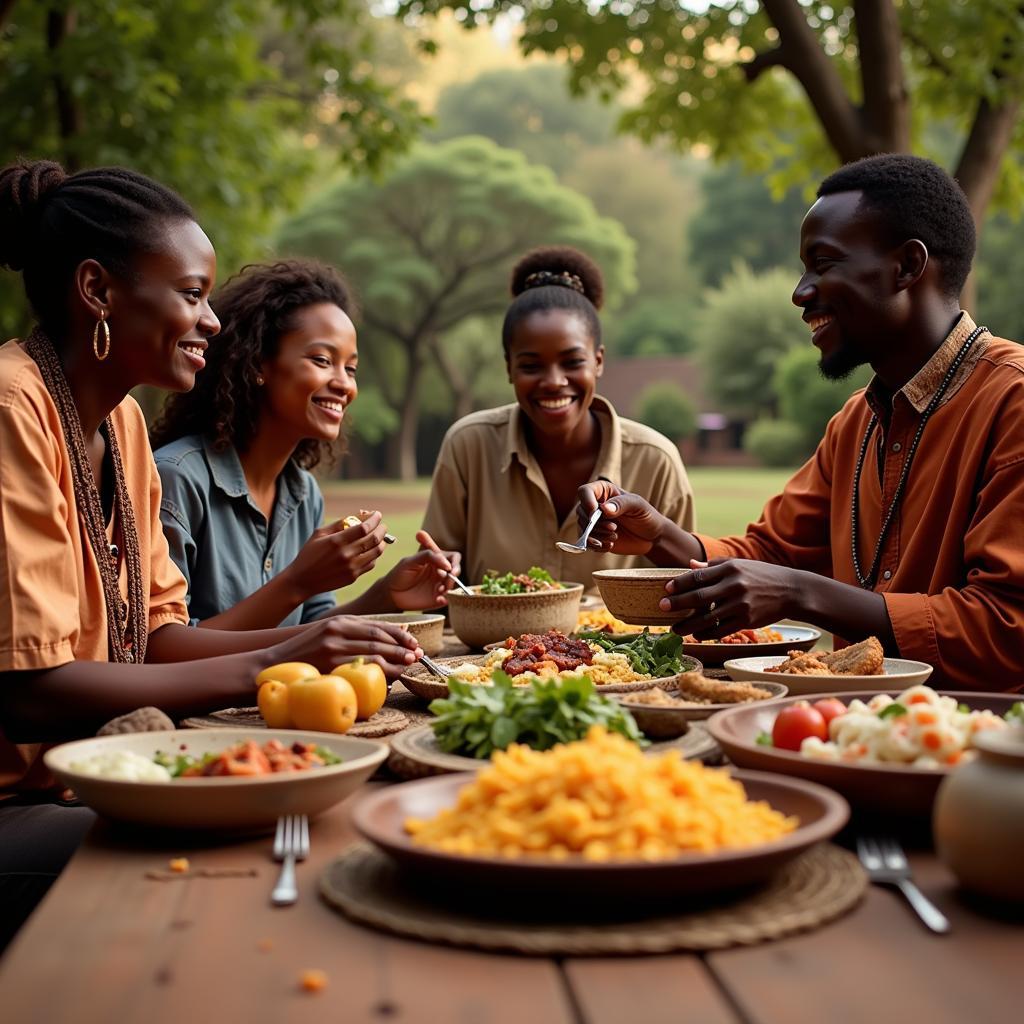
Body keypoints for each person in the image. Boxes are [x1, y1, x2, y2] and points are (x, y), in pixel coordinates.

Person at [0, 160, 420, 946]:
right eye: (192, 293)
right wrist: (284, 655)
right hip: (25, 804)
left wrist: (318, 643)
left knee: (318, 812)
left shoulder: (121, 428)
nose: (214, 319)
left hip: (100, 771)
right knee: (269, 858)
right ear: (97, 291)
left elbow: (159, 639)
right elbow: (28, 692)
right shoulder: (13, 409)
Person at [577, 154, 1024, 691]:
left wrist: (801, 592)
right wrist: (659, 534)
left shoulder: (1012, 401)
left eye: (824, 263)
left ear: (906, 266)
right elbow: (769, 556)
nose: (801, 291)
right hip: (851, 732)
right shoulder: (856, 423)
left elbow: (1006, 630)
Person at [149, 259, 459, 630]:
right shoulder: (176, 480)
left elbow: (310, 626)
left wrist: (387, 594)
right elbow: (163, 648)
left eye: (351, 368)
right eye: (323, 360)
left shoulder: (302, 493)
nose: (344, 384)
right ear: (257, 363)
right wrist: (297, 581)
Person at [421, 246, 695, 587]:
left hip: (620, 642)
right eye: (531, 366)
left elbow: (685, 585)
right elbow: (440, 584)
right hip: (489, 641)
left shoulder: (655, 460)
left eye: (572, 362)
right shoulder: (468, 446)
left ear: (598, 361)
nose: (553, 382)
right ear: (509, 368)